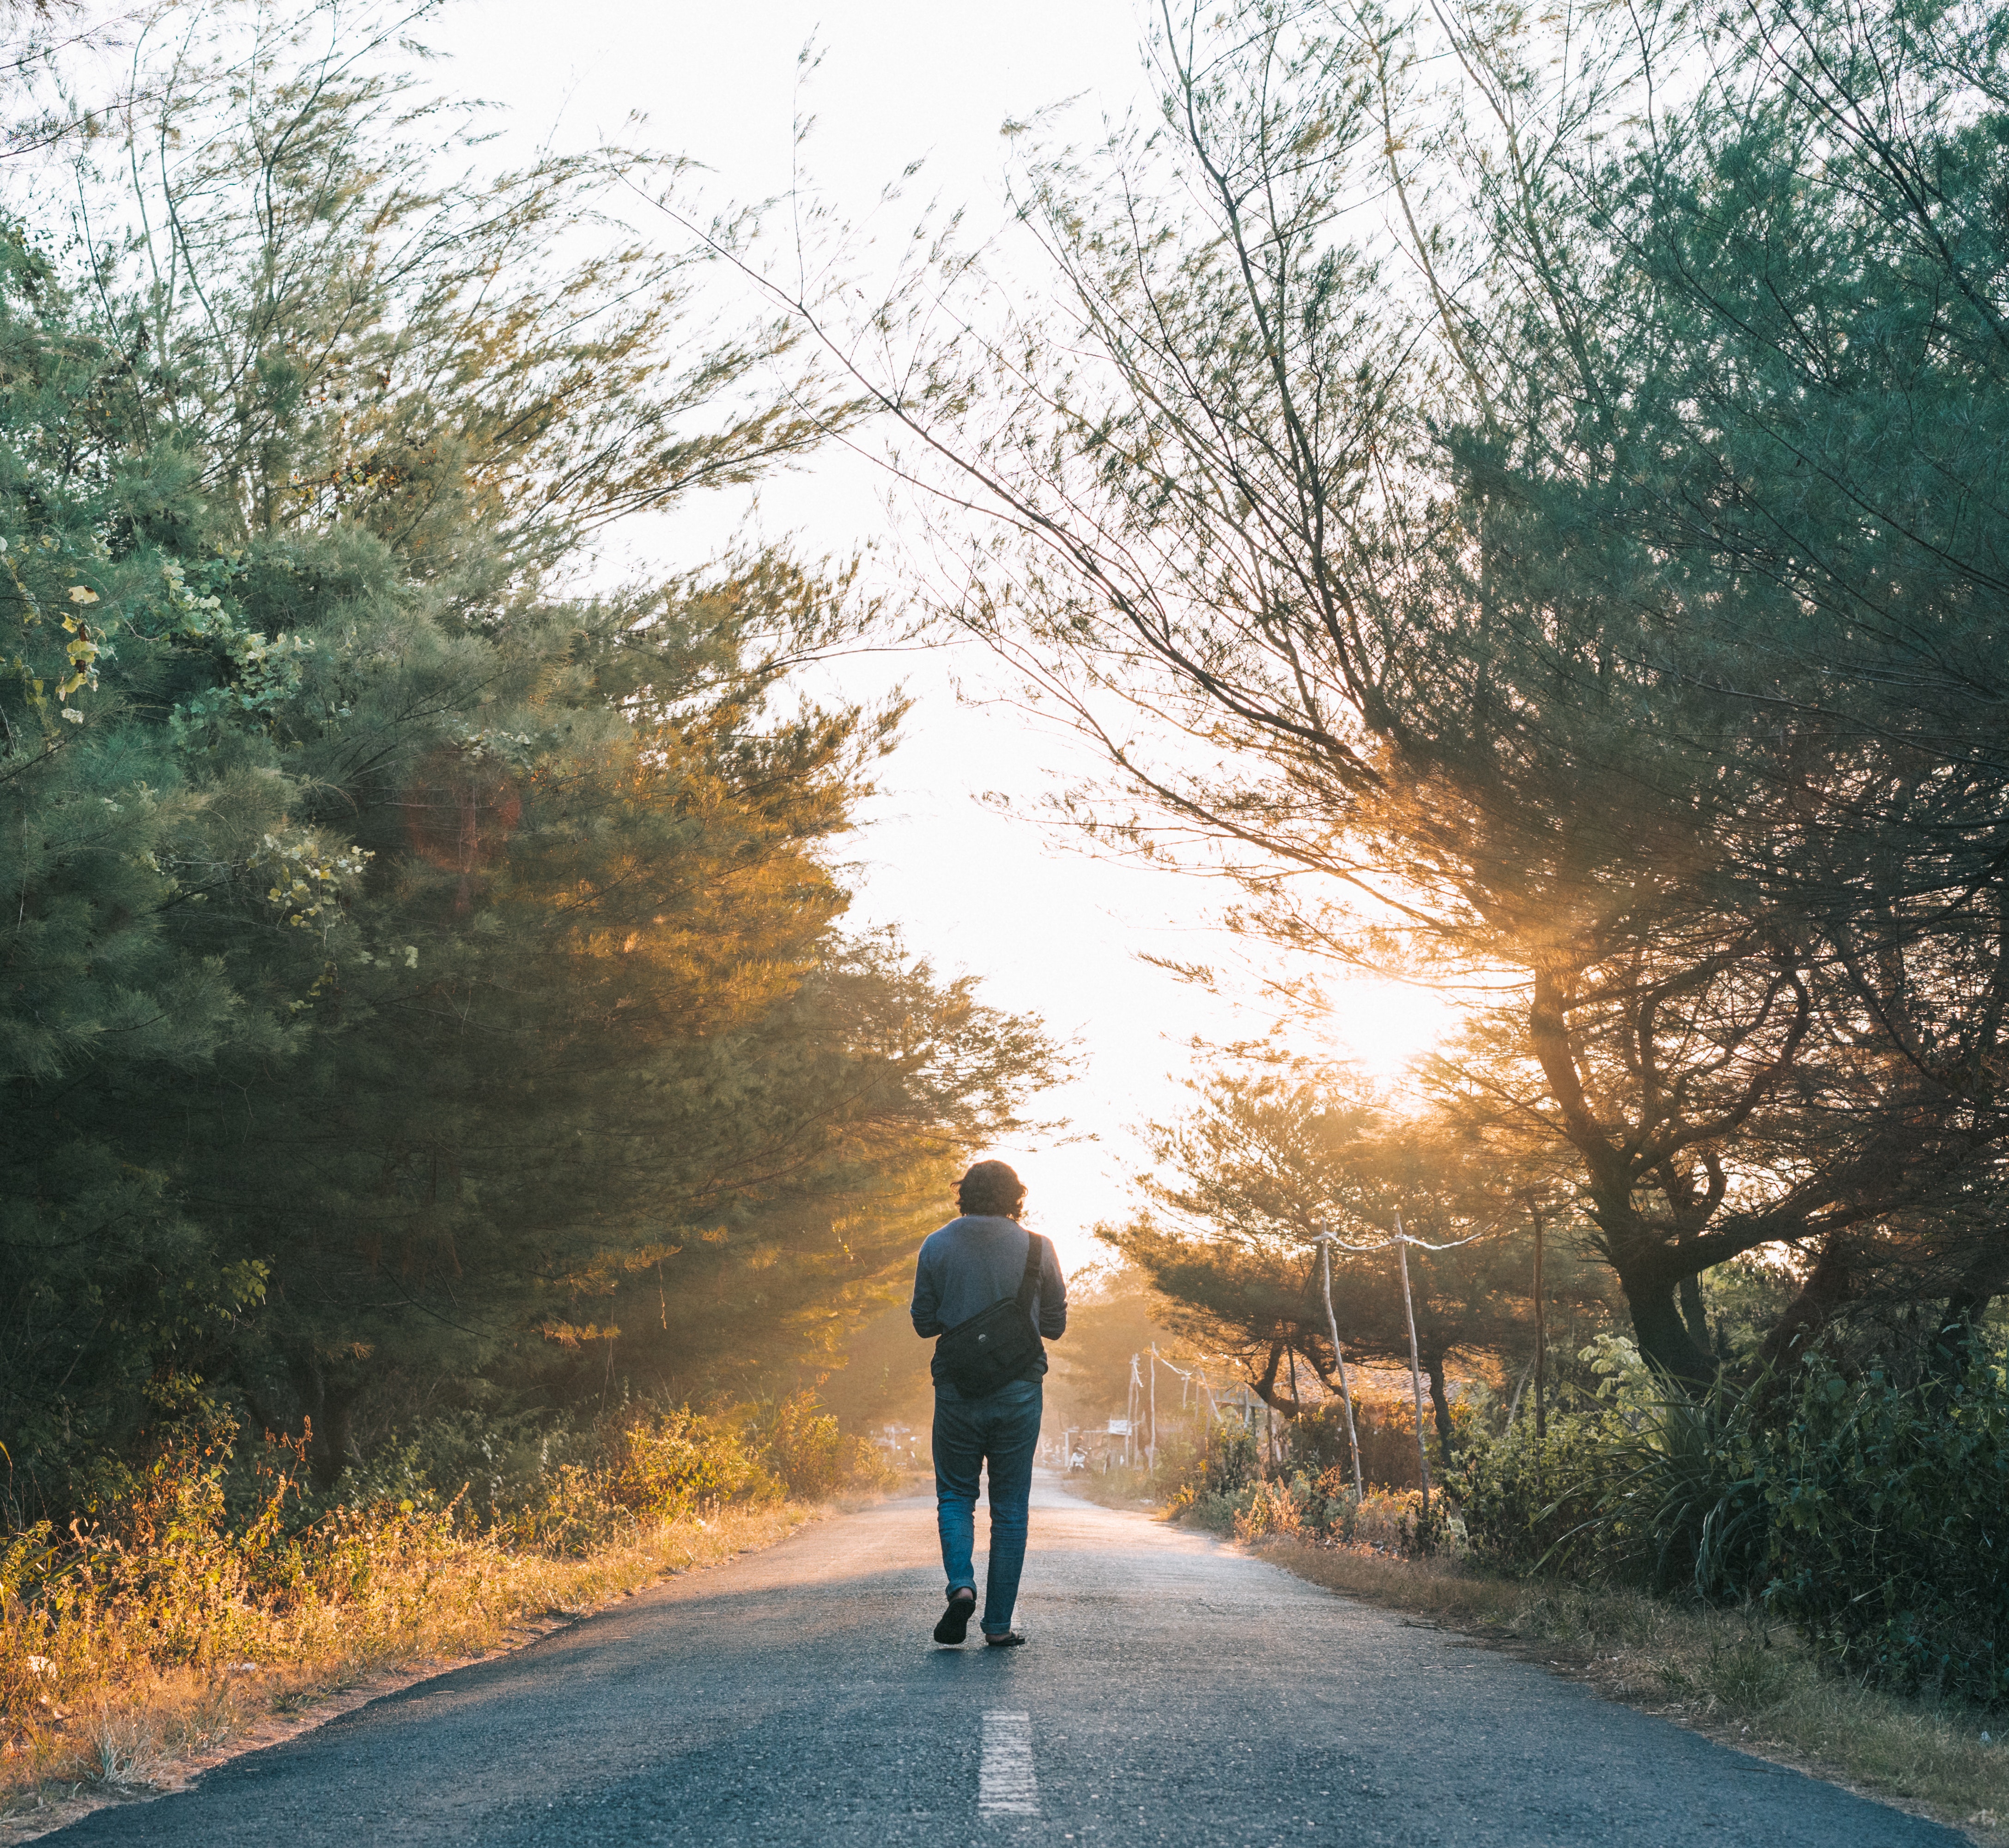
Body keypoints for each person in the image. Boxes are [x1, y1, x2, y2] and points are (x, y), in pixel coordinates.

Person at [909, 1158, 1067, 1647]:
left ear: (963, 1196)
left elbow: (923, 1323)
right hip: (1020, 1390)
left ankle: (961, 1584)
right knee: (1010, 1506)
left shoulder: (935, 1245)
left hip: (956, 1389)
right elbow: (1055, 1326)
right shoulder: (1039, 1248)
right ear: (1016, 1197)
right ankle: (998, 1625)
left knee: (956, 1495)